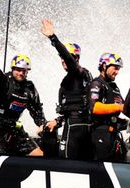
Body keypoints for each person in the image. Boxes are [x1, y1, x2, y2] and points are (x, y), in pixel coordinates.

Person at [41, 19, 93, 160]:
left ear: (76, 58)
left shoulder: (78, 71)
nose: (64, 60)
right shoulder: (75, 76)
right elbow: (71, 107)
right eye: (62, 58)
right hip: (78, 122)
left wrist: (53, 38)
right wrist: (57, 122)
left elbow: (68, 58)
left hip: (76, 126)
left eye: (69, 57)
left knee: (65, 162)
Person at [0, 42, 46, 156]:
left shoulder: (29, 88)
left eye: (24, 70)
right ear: (12, 68)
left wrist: (42, 123)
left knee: (39, 154)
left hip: (13, 126)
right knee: (0, 156)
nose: (21, 73)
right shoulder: (3, 81)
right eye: (18, 69)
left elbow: (36, 109)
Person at [88, 53, 127, 161]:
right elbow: (94, 107)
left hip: (113, 133)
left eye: (119, 69)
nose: (117, 72)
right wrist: (118, 107)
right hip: (101, 134)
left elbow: (124, 107)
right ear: (104, 66)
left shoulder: (114, 86)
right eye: (115, 68)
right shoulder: (96, 83)